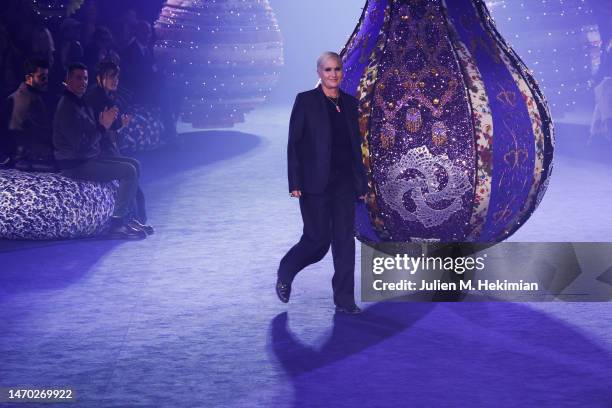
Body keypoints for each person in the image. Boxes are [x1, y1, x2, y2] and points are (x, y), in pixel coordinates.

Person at [276, 51, 368, 314]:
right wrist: (295, 181)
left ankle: (345, 300)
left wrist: (360, 184)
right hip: (314, 183)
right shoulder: (305, 102)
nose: (333, 74)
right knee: (317, 241)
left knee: (344, 243)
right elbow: (294, 144)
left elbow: (356, 147)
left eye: (337, 69)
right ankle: (287, 269)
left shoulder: (350, 104)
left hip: (345, 184)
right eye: (328, 70)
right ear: (319, 72)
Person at [53, 62, 153, 239]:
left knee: (133, 164)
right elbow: (80, 145)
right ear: (67, 80)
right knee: (128, 171)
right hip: (76, 164)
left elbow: (93, 133)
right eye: (78, 78)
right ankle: (117, 222)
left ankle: (129, 218)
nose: (83, 82)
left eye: (85, 78)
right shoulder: (67, 107)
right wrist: (103, 127)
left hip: (89, 157)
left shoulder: (79, 102)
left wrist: (108, 126)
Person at [85, 60, 151, 228]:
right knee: (131, 172)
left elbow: (110, 125)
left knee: (135, 168)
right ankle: (123, 219)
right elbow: (100, 127)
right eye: (111, 77)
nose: (115, 81)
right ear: (100, 78)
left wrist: (120, 124)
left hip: (106, 146)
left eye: (117, 77)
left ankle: (134, 218)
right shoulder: (96, 97)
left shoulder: (107, 95)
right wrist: (116, 126)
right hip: (99, 150)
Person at [6, 57, 56, 171]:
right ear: (29, 78)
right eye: (42, 77)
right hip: (30, 157)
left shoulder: (33, 95)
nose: (46, 81)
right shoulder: (23, 99)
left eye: (47, 77)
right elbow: (18, 134)